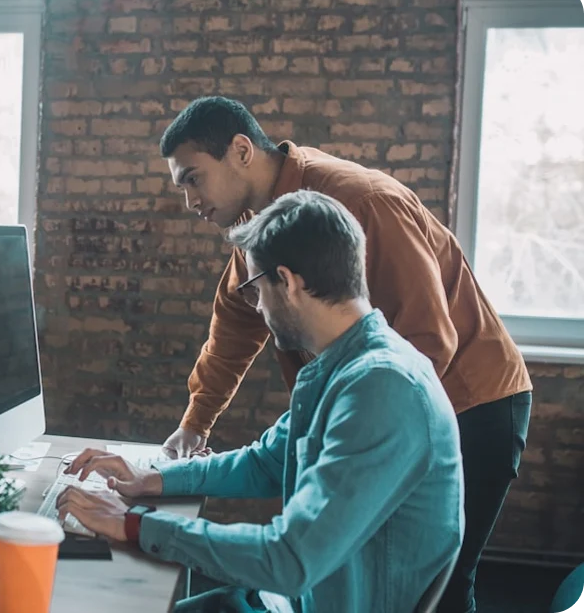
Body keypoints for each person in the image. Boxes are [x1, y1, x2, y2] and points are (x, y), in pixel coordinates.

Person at [156, 96, 530, 612]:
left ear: (241, 151)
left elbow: (428, 337)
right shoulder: (261, 225)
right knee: (346, 568)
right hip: (375, 393)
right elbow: (238, 319)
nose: (190, 200)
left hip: (469, 396)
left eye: (192, 178)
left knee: (429, 587)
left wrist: (359, 413)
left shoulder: (362, 199)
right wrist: (196, 424)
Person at [57, 190, 465, 613]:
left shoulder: (381, 388)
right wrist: (153, 478)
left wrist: (133, 523)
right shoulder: (346, 366)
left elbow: (289, 558)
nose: (257, 308)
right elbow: (266, 461)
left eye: (254, 290)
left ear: (286, 282)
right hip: (296, 598)